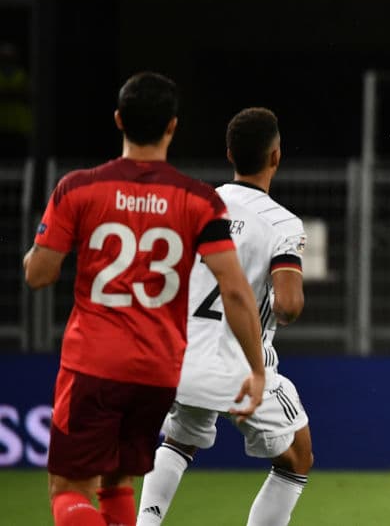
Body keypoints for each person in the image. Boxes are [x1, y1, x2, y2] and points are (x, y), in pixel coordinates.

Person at [23, 72, 266, 526]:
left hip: (93, 364)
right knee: (117, 482)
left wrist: (40, 252)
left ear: (118, 120)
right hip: (157, 371)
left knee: (68, 489)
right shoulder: (199, 200)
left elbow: (40, 274)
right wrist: (255, 368)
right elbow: (234, 288)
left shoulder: (79, 189)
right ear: (172, 126)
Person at [138, 107, 312, 526]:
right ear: (276, 157)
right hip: (244, 364)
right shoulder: (282, 224)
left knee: (178, 443)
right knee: (297, 457)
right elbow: (288, 306)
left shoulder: (192, 206)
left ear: (229, 153)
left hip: (183, 356)